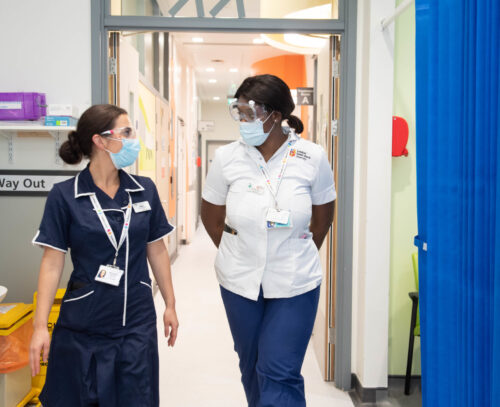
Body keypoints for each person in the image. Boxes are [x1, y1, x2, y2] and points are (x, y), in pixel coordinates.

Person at [29, 104, 179, 406]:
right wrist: (38, 327)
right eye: (126, 132)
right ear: (100, 141)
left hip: (135, 322)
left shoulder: (144, 190)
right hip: (84, 326)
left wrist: (170, 304)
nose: (133, 139)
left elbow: (157, 249)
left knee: (136, 398)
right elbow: (52, 262)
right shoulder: (65, 195)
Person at [201, 74, 336, 407]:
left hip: (295, 282)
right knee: (252, 366)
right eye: (238, 112)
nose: (241, 121)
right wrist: (241, 252)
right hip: (239, 281)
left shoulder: (312, 157)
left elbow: (323, 217)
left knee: (278, 369)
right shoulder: (228, 158)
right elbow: (211, 217)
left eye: (249, 112)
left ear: (274, 115)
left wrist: (292, 253)